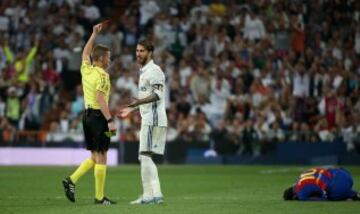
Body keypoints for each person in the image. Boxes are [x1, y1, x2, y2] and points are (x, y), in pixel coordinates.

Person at [62, 22, 116, 205]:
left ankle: (71, 180)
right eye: (108, 57)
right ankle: (99, 198)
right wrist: (110, 120)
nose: (109, 60)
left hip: (87, 117)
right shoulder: (103, 76)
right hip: (99, 118)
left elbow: (85, 53)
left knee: (96, 155)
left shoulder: (87, 70)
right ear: (100, 58)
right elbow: (101, 99)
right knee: (102, 155)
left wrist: (93, 34)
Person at [118, 39, 167, 204]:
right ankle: (151, 195)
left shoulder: (155, 70)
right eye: (137, 50)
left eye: (142, 51)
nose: (138, 53)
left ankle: (153, 195)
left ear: (150, 52)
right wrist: (131, 109)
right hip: (149, 118)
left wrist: (137, 103)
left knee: (144, 156)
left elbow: (157, 95)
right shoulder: (144, 71)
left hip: (153, 119)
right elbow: (145, 97)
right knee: (144, 157)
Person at [283, 167, 360, 201]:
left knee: (330, 196)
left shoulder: (301, 194)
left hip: (338, 187)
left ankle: (349, 196)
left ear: (294, 197)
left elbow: (323, 199)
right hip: (344, 173)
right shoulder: (301, 176)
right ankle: (354, 194)